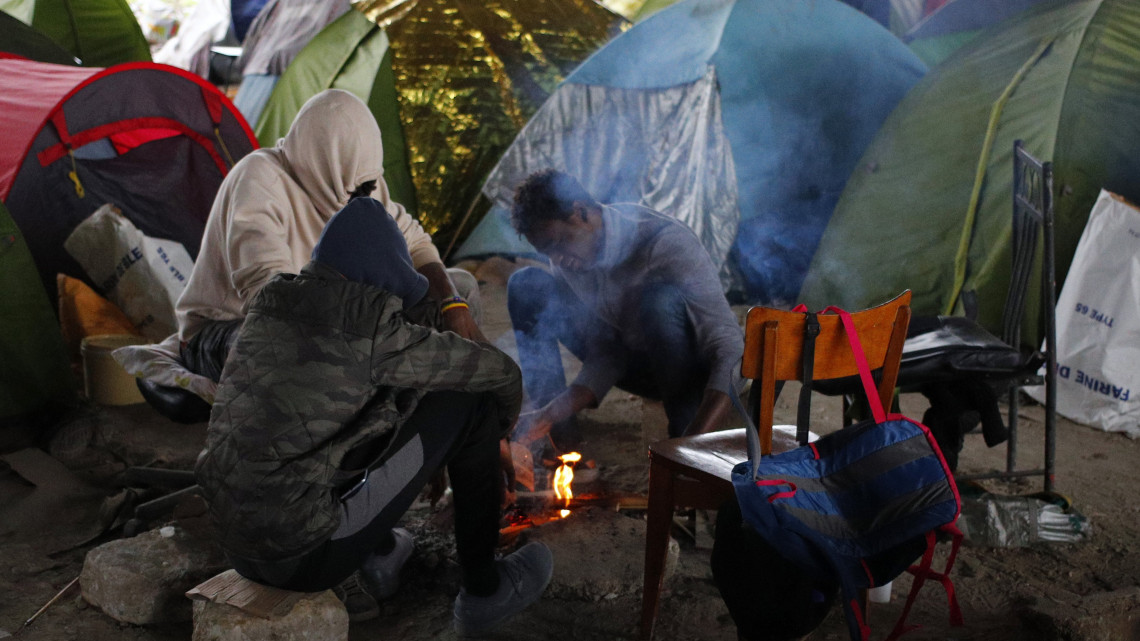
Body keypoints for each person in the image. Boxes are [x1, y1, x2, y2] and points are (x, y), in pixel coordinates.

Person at [194, 197, 553, 636]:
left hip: (236, 542)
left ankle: (379, 554)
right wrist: (501, 432)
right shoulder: (371, 328)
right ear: (379, 278)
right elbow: (499, 373)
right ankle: (485, 588)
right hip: (306, 554)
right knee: (471, 403)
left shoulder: (269, 305)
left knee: (344, 417)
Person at [130, 89, 483, 421]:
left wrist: (452, 306)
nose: (361, 200)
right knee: (292, 351)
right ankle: (312, 470)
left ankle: (418, 442)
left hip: (325, 319)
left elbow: (417, 245)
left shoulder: (361, 179)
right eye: (355, 190)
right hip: (228, 328)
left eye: (368, 189)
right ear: (321, 162)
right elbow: (270, 300)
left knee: (458, 286)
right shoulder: (260, 179)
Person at [506, 169, 744, 448]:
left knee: (658, 302)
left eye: (559, 243)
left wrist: (691, 442)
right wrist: (553, 411)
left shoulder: (664, 242)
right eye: (548, 252)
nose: (557, 260)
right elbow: (608, 350)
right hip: (639, 367)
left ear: (581, 212)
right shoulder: (568, 260)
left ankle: (683, 435)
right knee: (526, 285)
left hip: (690, 372)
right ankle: (560, 441)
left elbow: (730, 346)